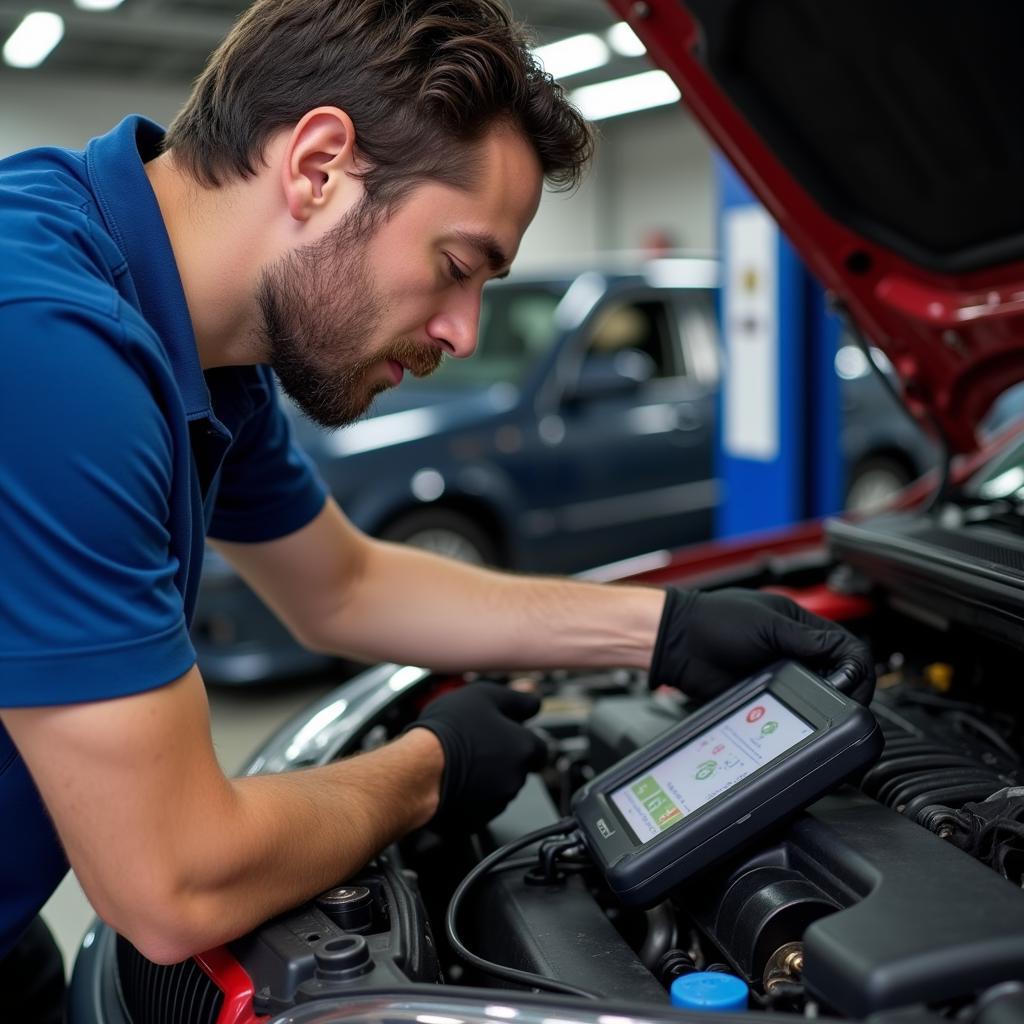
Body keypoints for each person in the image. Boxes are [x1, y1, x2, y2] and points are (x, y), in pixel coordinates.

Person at [0, 0, 872, 1014]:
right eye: (456, 267)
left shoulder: (201, 335)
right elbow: (174, 878)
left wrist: (666, 632)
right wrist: (428, 769)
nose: (461, 331)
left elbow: (342, 583)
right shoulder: (48, 348)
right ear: (319, 165)